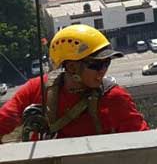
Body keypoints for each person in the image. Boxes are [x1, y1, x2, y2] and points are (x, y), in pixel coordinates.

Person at [0, 24, 148, 140]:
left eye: (107, 63)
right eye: (96, 65)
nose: (103, 70)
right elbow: (3, 121)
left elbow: (144, 142)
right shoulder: (38, 89)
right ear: (71, 67)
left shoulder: (114, 98)